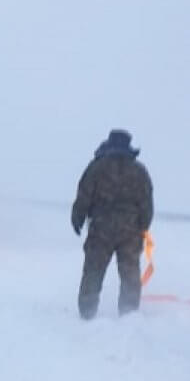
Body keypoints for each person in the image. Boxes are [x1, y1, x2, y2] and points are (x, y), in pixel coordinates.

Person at [71, 129, 154, 319]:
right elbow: (146, 204)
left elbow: (84, 195)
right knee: (130, 273)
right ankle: (129, 313)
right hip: (130, 231)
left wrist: (78, 218)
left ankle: (87, 313)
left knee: (93, 270)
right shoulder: (140, 172)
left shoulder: (96, 167)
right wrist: (143, 227)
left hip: (101, 228)